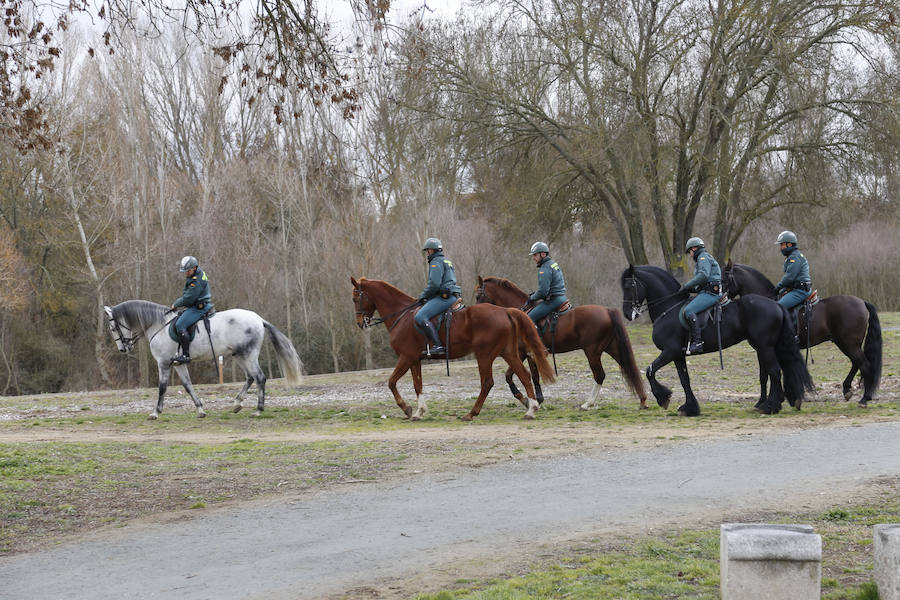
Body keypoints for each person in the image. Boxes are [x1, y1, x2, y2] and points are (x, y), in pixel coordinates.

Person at [414, 238, 461, 358]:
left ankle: (437, 345)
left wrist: (423, 296)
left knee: (420, 316)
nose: (427, 253)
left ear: (431, 250)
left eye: (427, 251)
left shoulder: (436, 262)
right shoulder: (446, 261)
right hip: (452, 295)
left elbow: (434, 284)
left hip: (444, 297)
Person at [678, 237, 722, 355]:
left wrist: (687, 285)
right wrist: (692, 288)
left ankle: (697, 343)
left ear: (694, 248)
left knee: (688, 310)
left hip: (711, 293)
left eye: (690, 252)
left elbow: (703, 276)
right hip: (706, 291)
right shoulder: (703, 259)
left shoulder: (703, 257)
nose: (691, 255)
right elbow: (703, 282)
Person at [171, 255, 213, 365]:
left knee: (180, 324)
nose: (186, 273)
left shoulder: (196, 280)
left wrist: (176, 304)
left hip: (199, 307)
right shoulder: (196, 273)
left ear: (194, 268)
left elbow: (189, 298)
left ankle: (186, 355)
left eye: (187, 270)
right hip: (196, 304)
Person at [526, 242, 568, 326]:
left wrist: (532, 297)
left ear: (543, 254)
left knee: (528, 318)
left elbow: (543, 292)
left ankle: (536, 339)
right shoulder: (553, 264)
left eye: (535, 255)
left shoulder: (544, 268)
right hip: (562, 297)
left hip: (554, 300)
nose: (533, 258)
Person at [773, 230, 812, 310]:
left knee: (778, 308)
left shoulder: (795, 258)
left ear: (789, 244)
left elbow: (789, 278)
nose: (781, 248)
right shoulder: (791, 257)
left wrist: (777, 288)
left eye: (782, 245)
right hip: (795, 289)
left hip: (800, 291)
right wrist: (782, 289)